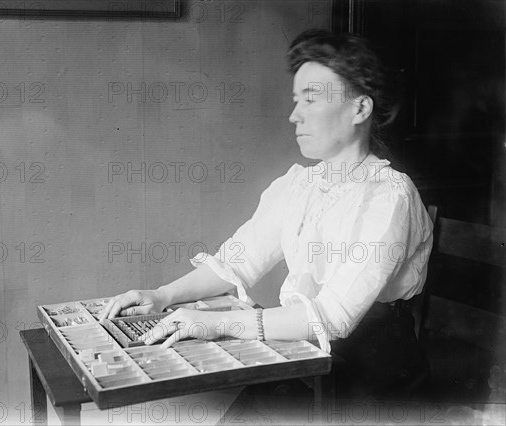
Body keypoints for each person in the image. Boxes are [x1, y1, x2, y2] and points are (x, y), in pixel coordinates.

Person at [99, 29, 433, 399]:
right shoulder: (300, 185)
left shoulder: (388, 197)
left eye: (311, 99)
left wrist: (216, 323)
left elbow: (333, 317)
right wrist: (162, 295)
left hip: (373, 374)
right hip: (304, 353)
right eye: (295, 100)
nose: (294, 116)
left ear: (360, 108)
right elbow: (237, 261)